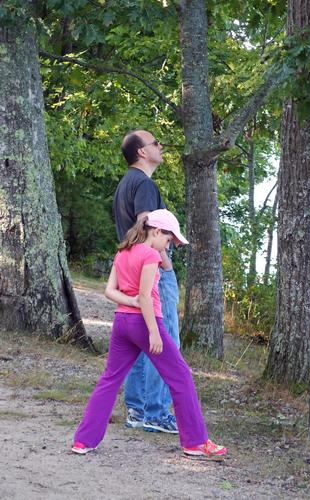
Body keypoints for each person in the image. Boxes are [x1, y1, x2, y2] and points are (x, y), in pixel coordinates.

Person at [71, 210, 227, 459]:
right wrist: (153, 332)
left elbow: (110, 291)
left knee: (110, 380)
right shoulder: (150, 254)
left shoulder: (122, 251)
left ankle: (83, 441)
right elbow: (145, 297)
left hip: (122, 323)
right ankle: (196, 442)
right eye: (168, 240)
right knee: (181, 376)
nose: (168, 246)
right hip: (146, 322)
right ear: (156, 231)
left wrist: (130, 302)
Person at [113, 129, 180, 433]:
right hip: (151, 273)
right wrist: (164, 263)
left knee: (141, 342)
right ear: (142, 152)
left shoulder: (125, 184)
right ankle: (156, 413)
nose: (160, 145)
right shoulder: (144, 184)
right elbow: (146, 224)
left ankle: (138, 411)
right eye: (155, 142)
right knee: (164, 341)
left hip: (132, 272)